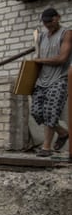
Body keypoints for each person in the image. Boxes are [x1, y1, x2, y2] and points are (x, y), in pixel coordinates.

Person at [31, 8, 72, 157]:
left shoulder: (67, 33)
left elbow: (62, 58)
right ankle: (62, 133)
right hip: (42, 80)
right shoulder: (41, 37)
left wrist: (40, 60)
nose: (48, 25)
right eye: (46, 23)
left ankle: (46, 147)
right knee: (36, 112)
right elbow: (36, 55)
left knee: (50, 112)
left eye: (51, 21)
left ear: (58, 17)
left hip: (59, 79)